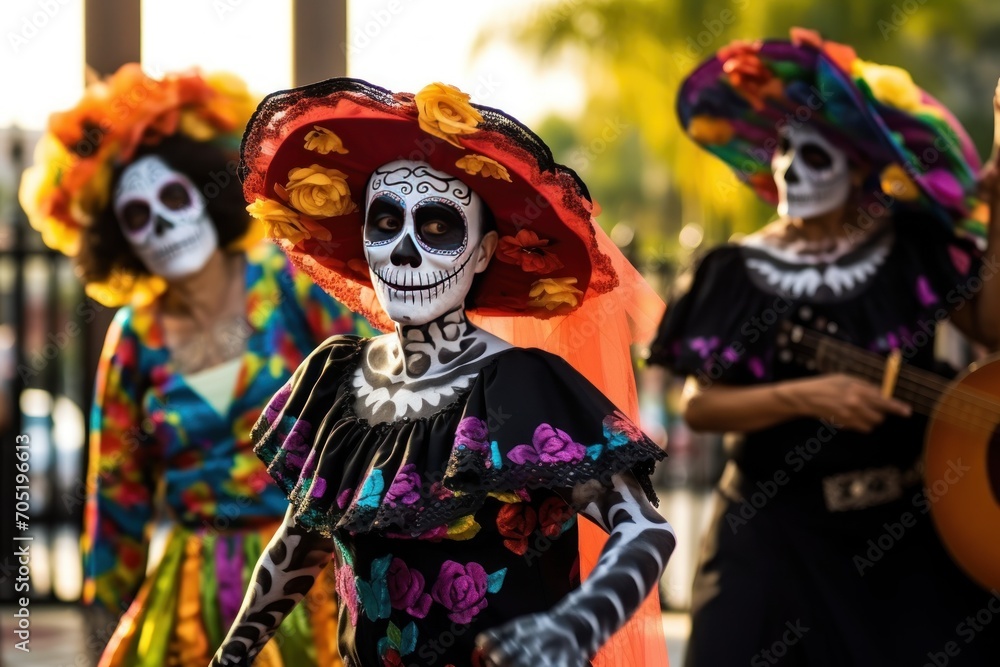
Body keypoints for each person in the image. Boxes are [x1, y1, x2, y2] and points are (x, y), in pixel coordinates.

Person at [204, 78, 676, 667]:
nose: (404, 252)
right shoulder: (334, 379)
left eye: (436, 228)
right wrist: (230, 656)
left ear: (481, 253)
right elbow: (301, 542)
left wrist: (575, 627)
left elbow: (646, 531)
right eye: (384, 223)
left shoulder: (523, 387)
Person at [647, 29, 1000, 666]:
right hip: (772, 537)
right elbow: (699, 406)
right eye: (782, 150)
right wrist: (807, 395)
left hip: (908, 539)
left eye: (814, 156)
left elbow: (994, 330)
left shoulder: (912, 248)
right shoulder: (734, 267)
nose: (787, 168)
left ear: (863, 167)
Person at [18, 64, 377, 666]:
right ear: (119, 239)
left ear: (206, 190)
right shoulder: (134, 336)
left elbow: (382, 392)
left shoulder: (291, 285)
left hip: (309, 572)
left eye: (174, 196)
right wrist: (102, 611)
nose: (160, 223)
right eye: (136, 216)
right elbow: (118, 491)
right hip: (189, 602)